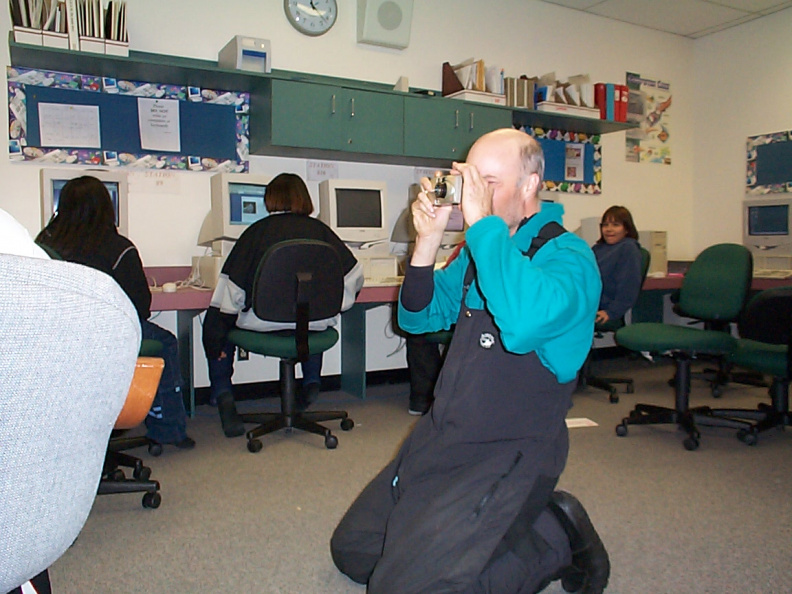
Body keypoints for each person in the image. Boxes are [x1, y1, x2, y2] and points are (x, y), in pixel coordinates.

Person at [331, 128, 610, 593]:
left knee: (408, 588)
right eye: (471, 182)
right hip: (444, 435)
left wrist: (483, 229)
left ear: (531, 184)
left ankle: (554, 536)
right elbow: (418, 318)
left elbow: (520, 326)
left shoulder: (570, 258)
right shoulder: (478, 249)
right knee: (356, 551)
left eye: (490, 182)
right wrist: (426, 242)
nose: (475, 196)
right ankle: (489, 531)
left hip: (510, 448)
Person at [36, 176, 194, 451]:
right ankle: (168, 429)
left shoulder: (44, 243)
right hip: (108, 331)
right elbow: (141, 306)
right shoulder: (117, 247)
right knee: (165, 343)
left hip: (58, 333)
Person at [202, 172, 364, 438]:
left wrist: (214, 338)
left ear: (270, 200)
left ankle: (222, 393)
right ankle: (311, 383)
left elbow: (230, 296)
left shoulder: (256, 232)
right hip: (312, 324)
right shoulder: (322, 231)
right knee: (308, 314)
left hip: (262, 323)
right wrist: (338, 304)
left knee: (219, 321)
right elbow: (355, 278)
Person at [592, 205, 643, 326]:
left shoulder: (628, 248)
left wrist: (611, 312)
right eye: (605, 225)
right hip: (588, 303)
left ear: (626, 229)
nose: (609, 229)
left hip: (604, 308)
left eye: (615, 225)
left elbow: (628, 286)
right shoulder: (597, 249)